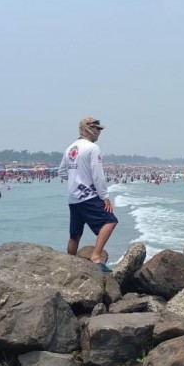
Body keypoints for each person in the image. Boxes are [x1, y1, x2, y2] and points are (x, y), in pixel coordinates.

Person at [58, 116, 117, 273]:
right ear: (87, 128)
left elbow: (62, 172)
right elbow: (98, 175)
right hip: (88, 195)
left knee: (75, 233)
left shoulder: (70, 148)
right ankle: (96, 257)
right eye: (96, 129)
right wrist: (105, 197)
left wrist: (75, 180)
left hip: (73, 197)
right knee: (110, 220)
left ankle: (70, 263)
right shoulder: (92, 148)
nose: (98, 132)